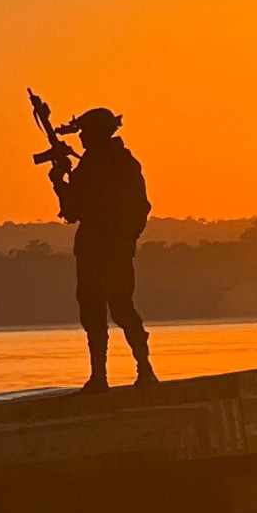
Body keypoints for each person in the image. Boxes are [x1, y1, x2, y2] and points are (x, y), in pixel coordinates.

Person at [52, 107, 156, 391]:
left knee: (121, 308)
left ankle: (144, 369)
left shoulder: (122, 164)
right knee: (93, 313)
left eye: (86, 132)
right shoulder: (91, 164)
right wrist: (59, 180)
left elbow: (139, 208)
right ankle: (100, 376)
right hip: (91, 249)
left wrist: (125, 239)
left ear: (99, 133)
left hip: (113, 248)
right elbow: (72, 210)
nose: (82, 137)